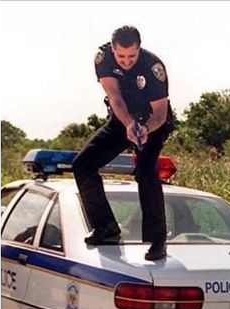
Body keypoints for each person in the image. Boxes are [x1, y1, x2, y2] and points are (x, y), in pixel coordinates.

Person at [73, 25, 173, 260]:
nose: (126, 61)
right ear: (113, 50)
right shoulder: (103, 58)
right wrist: (128, 124)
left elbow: (161, 113)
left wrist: (144, 128)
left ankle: (158, 241)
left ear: (139, 49)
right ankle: (106, 227)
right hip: (122, 118)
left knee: (146, 172)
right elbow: (115, 97)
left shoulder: (153, 66)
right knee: (83, 165)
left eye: (131, 56)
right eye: (121, 56)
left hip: (153, 122)